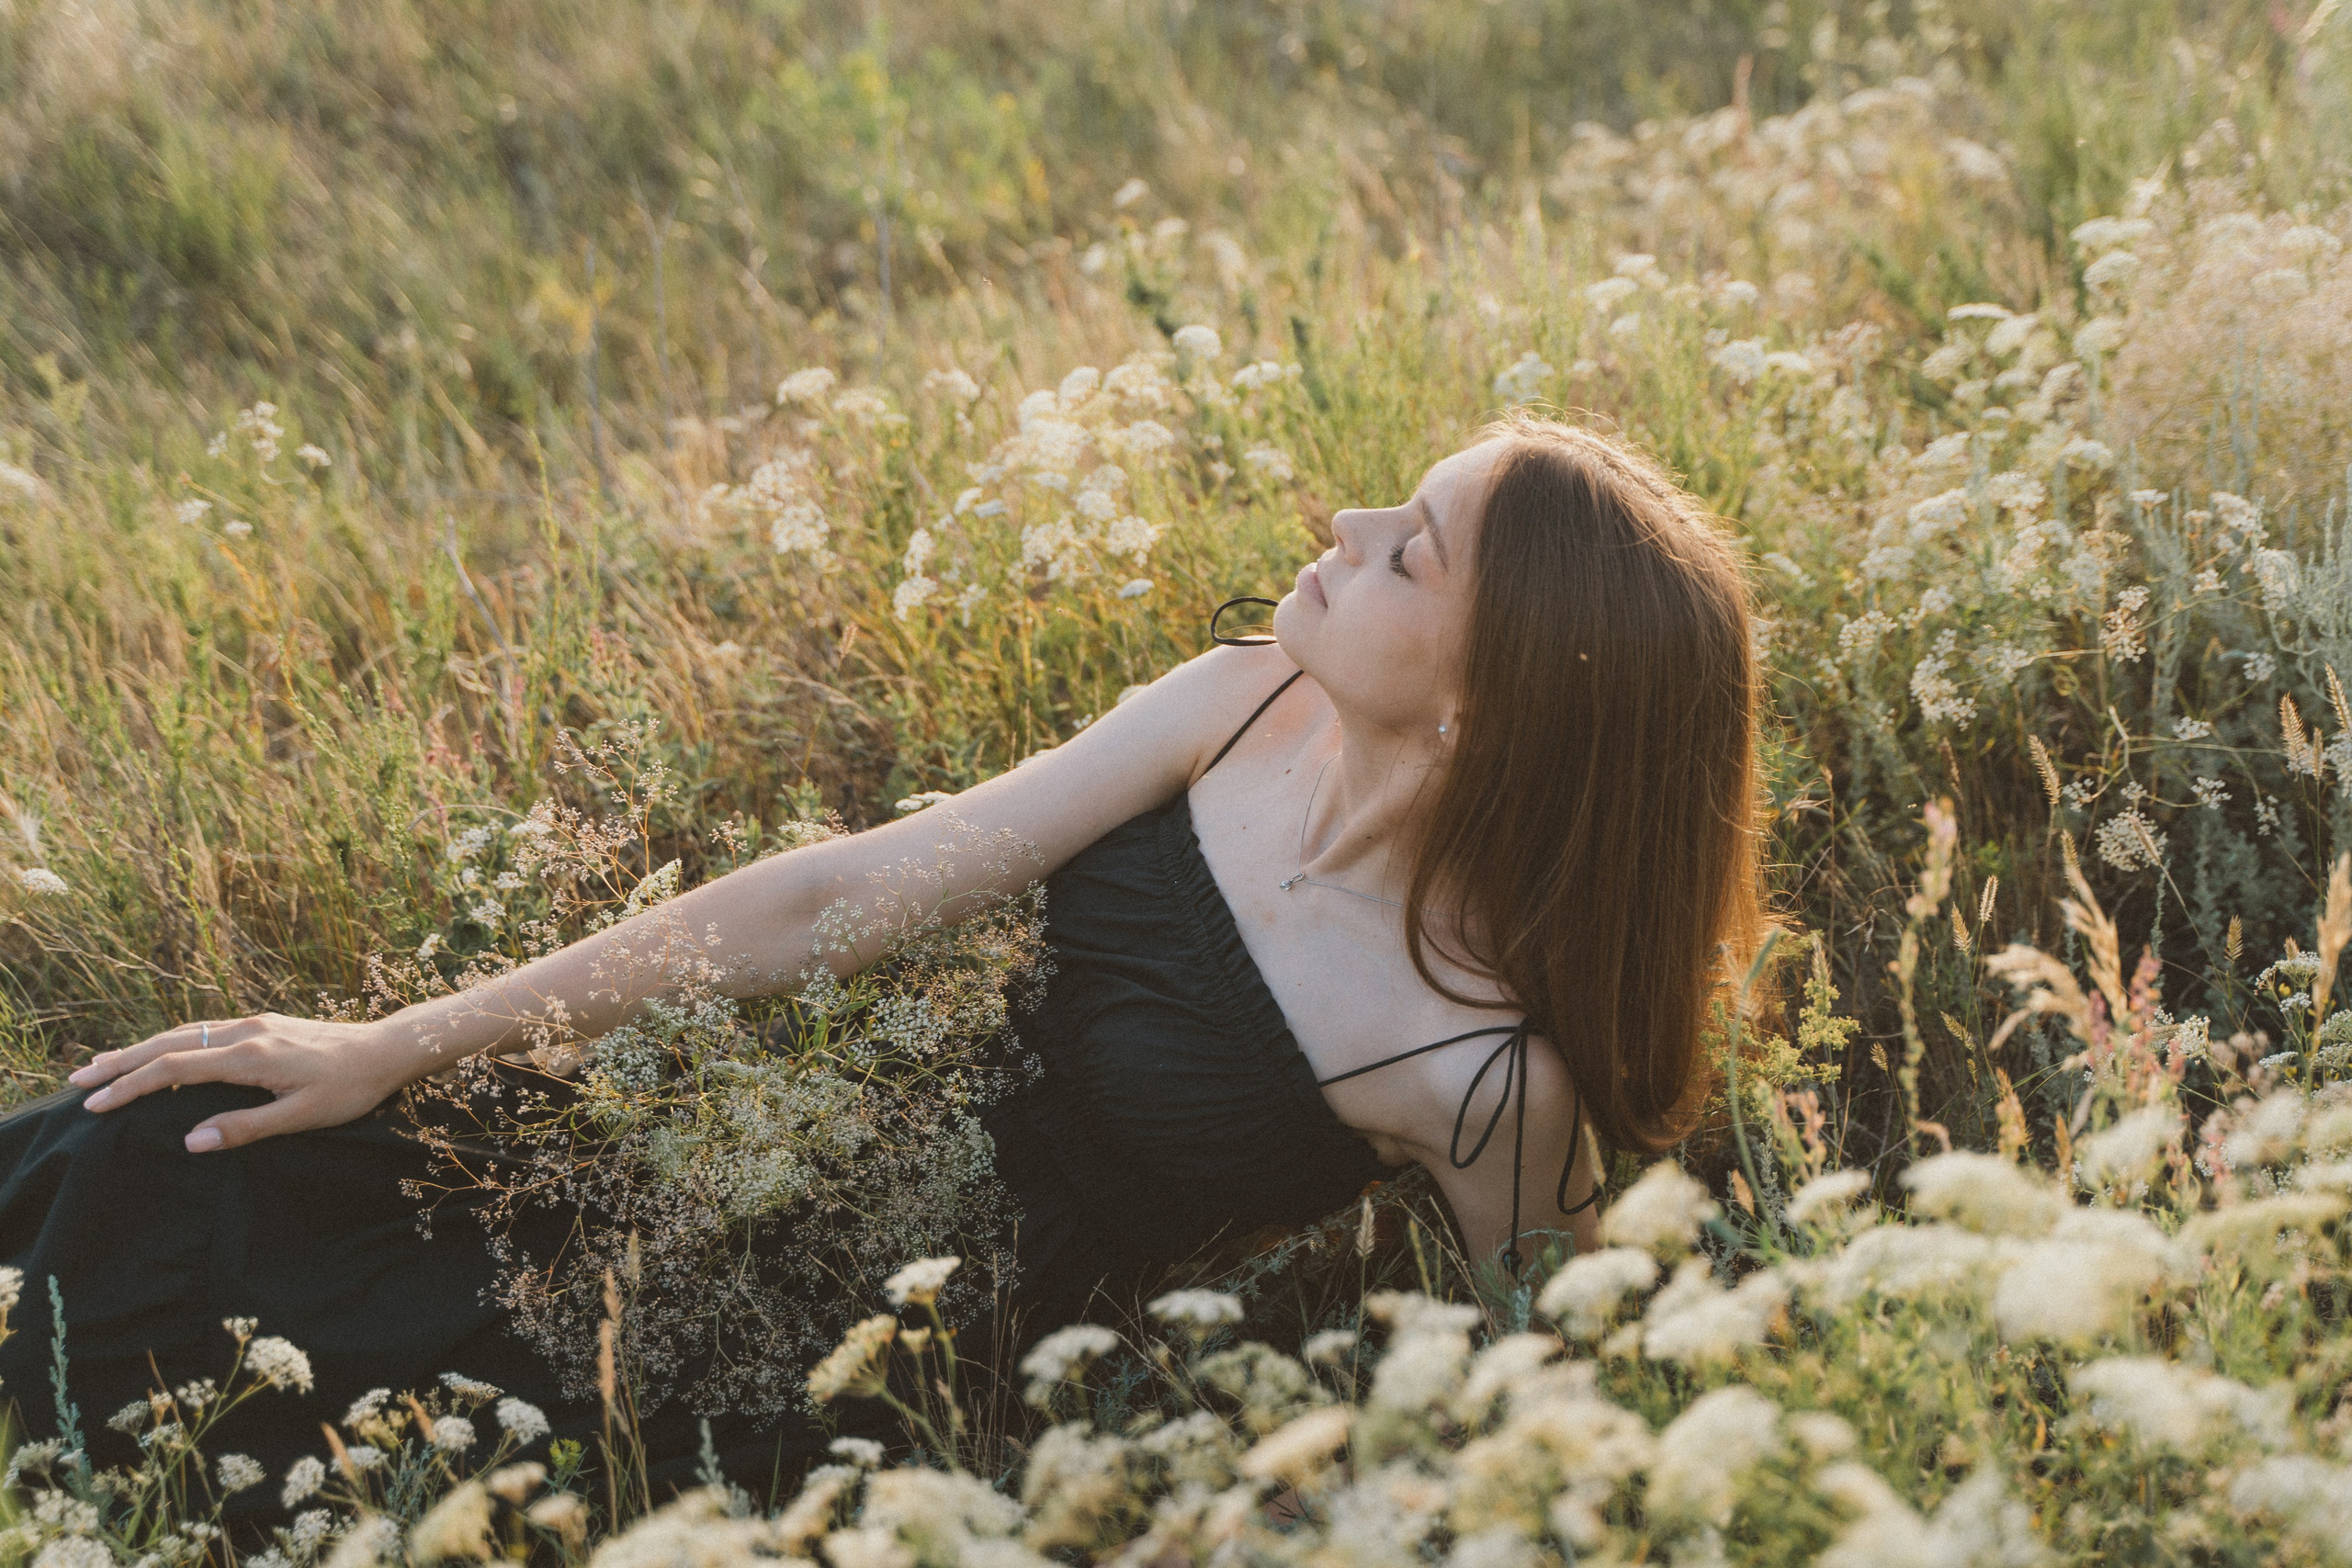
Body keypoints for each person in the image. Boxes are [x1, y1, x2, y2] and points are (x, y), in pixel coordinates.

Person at [0, 412, 1771, 1504]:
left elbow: (1565, 1383)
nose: (1340, 531)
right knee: (161, 1147)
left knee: (257, 1429)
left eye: (1409, 551)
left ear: (1488, 705)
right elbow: (826, 900)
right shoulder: (1246, 708)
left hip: (820, 1360)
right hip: (689, 1143)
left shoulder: (1480, 1074)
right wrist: (400, 1041)